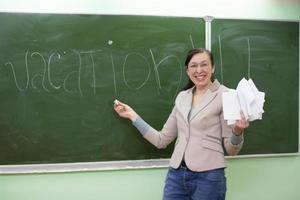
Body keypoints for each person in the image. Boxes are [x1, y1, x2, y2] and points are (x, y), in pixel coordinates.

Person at [114, 48, 249, 200]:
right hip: (176, 175)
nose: (199, 70)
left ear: (213, 68)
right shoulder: (182, 98)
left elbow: (231, 150)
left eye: (204, 64)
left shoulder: (225, 95)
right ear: (187, 71)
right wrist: (132, 115)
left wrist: (237, 132)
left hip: (209, 178)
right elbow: (161, 140)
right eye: (193, 65)